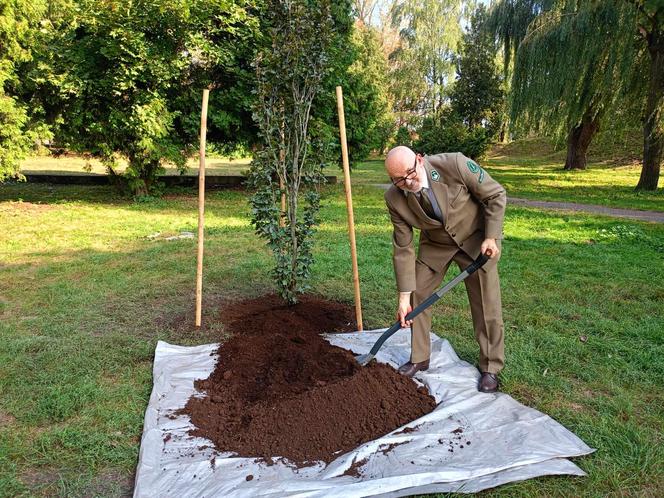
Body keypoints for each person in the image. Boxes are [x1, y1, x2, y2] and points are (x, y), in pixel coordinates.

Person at [384, 146, 506, 393]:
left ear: (420, 159)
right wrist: (403, 297)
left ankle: (491, 367)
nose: (408, 182)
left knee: (486, 303)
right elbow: (403, 247)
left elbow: (495, 195)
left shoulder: (455, 165)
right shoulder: (394, 199)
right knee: (417, 294)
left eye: (411, 173)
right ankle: (420, 357)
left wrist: (491, 237)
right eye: (399, 180)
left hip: (476, 240)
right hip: (436, 245)